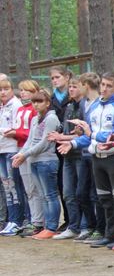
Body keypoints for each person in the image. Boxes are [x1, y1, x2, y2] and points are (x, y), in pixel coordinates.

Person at [70, 72, 114, 249]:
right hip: (96, 158)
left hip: (113, 157)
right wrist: (72, 143)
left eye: (109, 86)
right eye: (102, 84)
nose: (104, 89)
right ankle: (109, 234)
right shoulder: (94, 107)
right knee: (104, 198)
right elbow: (89, 136)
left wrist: (93, 134)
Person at [12, 88, 60, 239]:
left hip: (47, 161)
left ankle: (52, 227)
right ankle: (46, 226)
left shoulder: (51, 119)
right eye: (34, 102)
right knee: (42, 195)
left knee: (50, 195)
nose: (36, 105)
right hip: (34, 161)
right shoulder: (35, 119)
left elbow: (45, 143)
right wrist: (21, 153)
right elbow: (30, 140)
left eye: (39, 101)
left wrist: (25, 154)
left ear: (47, 103)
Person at [49, 76, 92, 240]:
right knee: (68, 192)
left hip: (81, 154)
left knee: (82, 192)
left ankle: (86, 226)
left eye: (75, 86)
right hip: (67, 155)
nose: (71, 89)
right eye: (70, 87)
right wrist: (59, 134)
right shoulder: (69, 106)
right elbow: (68, 130)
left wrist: (63, 138)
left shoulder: (86, 106)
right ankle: (73, 226)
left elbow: (84, 134)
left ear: (83, 87)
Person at [12, 80, 40, 236]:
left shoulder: (33, 110)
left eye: (26, 90)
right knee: (28, 189)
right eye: (21, 90)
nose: (22, 93)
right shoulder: (21, 109)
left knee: (34, 188)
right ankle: (33, 220)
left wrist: (15, 133)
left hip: (30, 151)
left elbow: (32, 133)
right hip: (20, 148)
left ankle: (38, 221)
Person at [48, 67, 72, 231]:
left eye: (57, 77)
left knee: (73, 185)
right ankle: (68, 219)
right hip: (56, 145)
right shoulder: (51, 99)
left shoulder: (72, 95)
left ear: (67, 77)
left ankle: (79, 221)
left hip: (72, 142)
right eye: (52, 78)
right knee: (61, 183)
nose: (55, 80)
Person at [0, 76, 24, 235]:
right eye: (0, 90)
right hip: (1, 149)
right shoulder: (2, 106)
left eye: (6, 89)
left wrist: (8, 132)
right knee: (6, 184)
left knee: (14, 185)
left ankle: (18, 220)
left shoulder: (16, 105)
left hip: (12, 148)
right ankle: (11, 219)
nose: (3, 92)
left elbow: (17, 128)